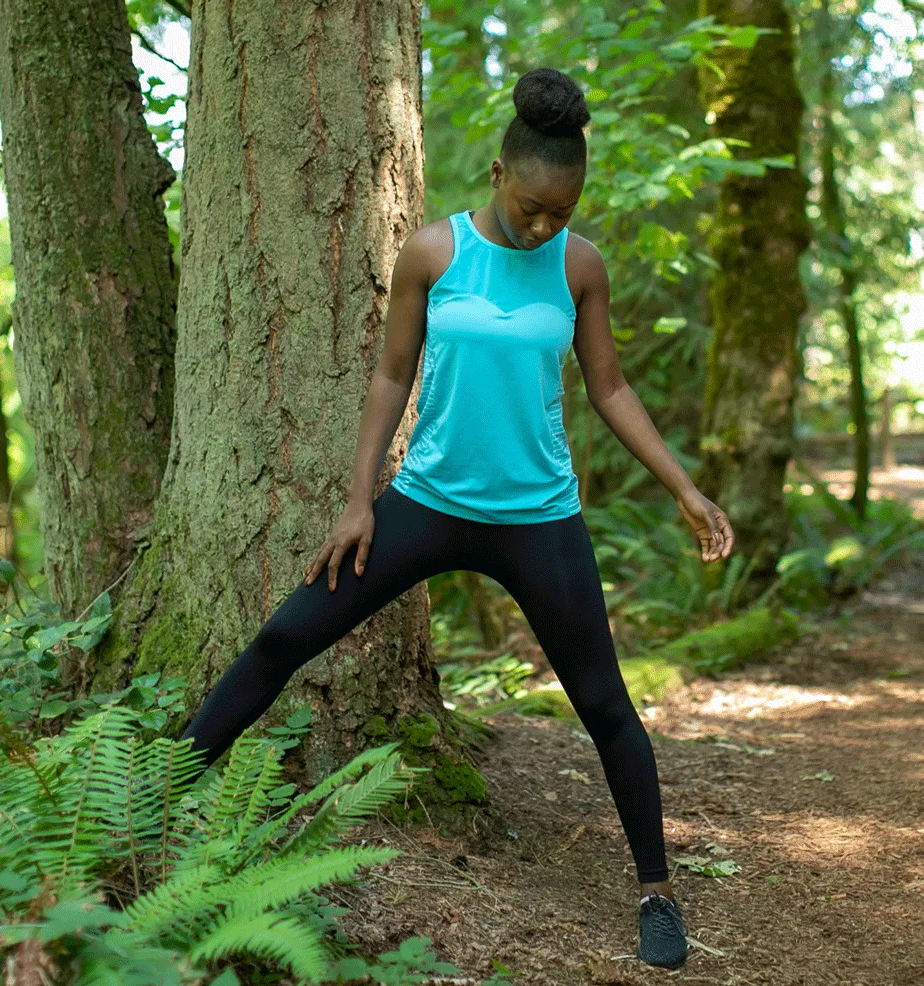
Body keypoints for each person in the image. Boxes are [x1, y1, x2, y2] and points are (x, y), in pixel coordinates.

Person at [176, 66, 734, 970]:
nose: (546, 224)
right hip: (428, 503)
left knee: (604, 704)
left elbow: (610, 386)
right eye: (534, 206)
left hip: (538, 516)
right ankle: (157, 800)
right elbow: (391, 375)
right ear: (499, 173)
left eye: (564, 209)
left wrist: (684, 486)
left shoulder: (580, 265)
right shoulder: (434, 254)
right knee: (285, 638)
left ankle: (658, 891)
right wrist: (360, 500)